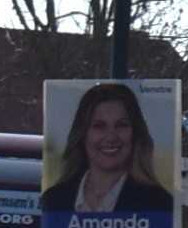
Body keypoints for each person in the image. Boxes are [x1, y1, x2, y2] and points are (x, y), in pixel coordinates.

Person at [45, 82, 178, 215]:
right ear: (82, 134)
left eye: (121, 125)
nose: (111, 137)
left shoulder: (160, 204)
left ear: (135, 133)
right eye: (99, 126)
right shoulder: (53, 200)